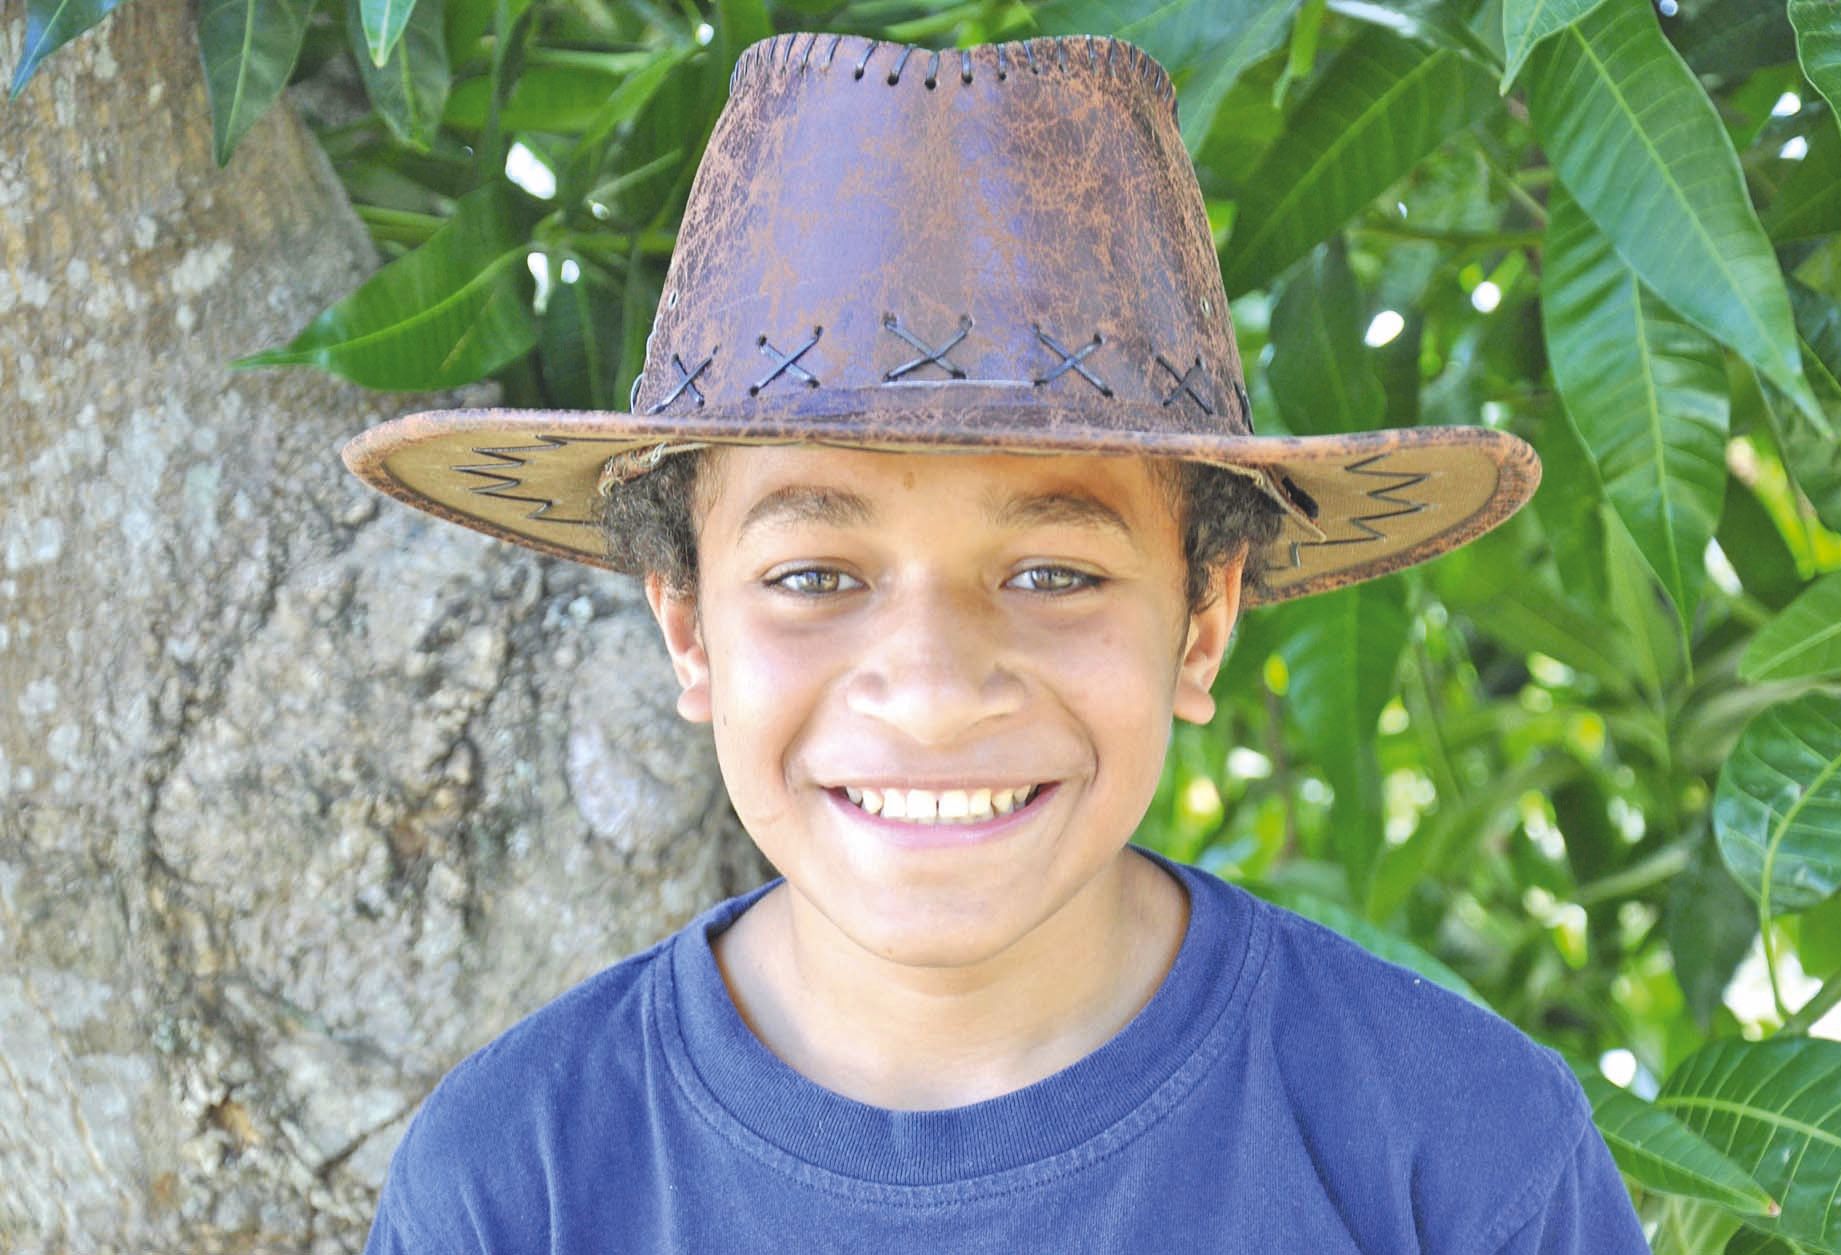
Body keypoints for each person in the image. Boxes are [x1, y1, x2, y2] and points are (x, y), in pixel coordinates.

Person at [344, 29, 1650, 1253]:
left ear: (1201, 622)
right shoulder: (522, 1180)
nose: (929, 694)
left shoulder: (1456, 1154)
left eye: (1050, 571)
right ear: (688, 627)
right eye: (812, 574)